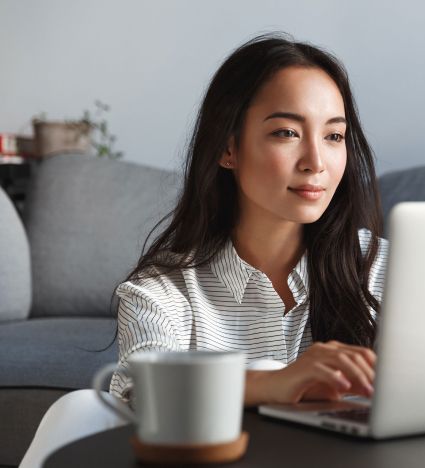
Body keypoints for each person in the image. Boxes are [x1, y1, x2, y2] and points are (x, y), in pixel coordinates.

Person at [20, 33, 388, 468]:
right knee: (80, 408)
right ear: (228, 148)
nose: (316, 161)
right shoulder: (159, 290)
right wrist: (277, 382)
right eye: (286, 132)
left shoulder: (387, 269)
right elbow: (144, 392)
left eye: (334, 136)